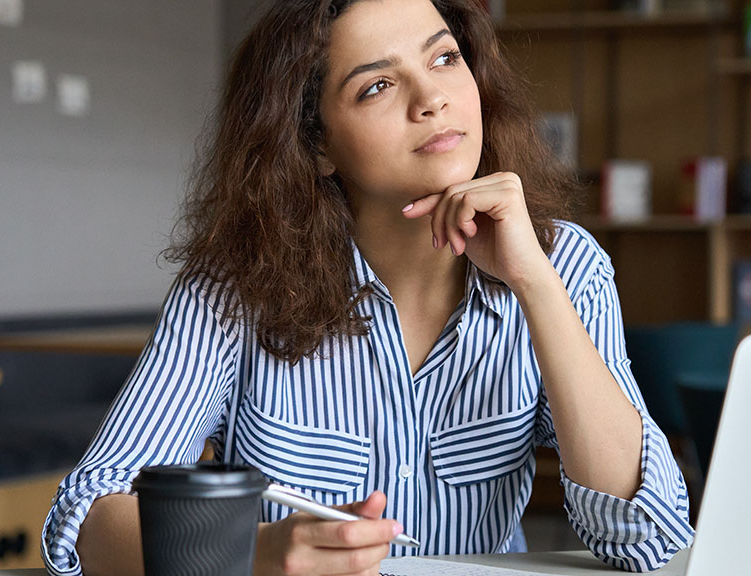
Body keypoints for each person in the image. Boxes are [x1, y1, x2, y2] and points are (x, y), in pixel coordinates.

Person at [41, 1, 693, 574]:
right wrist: (250, 556)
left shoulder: (566, 266)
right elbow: (85, 523)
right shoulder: (233, 290)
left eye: (443, 58)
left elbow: (650, 539)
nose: (431, 98)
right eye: (378, 85)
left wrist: (535, 284)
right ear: (317, 145)